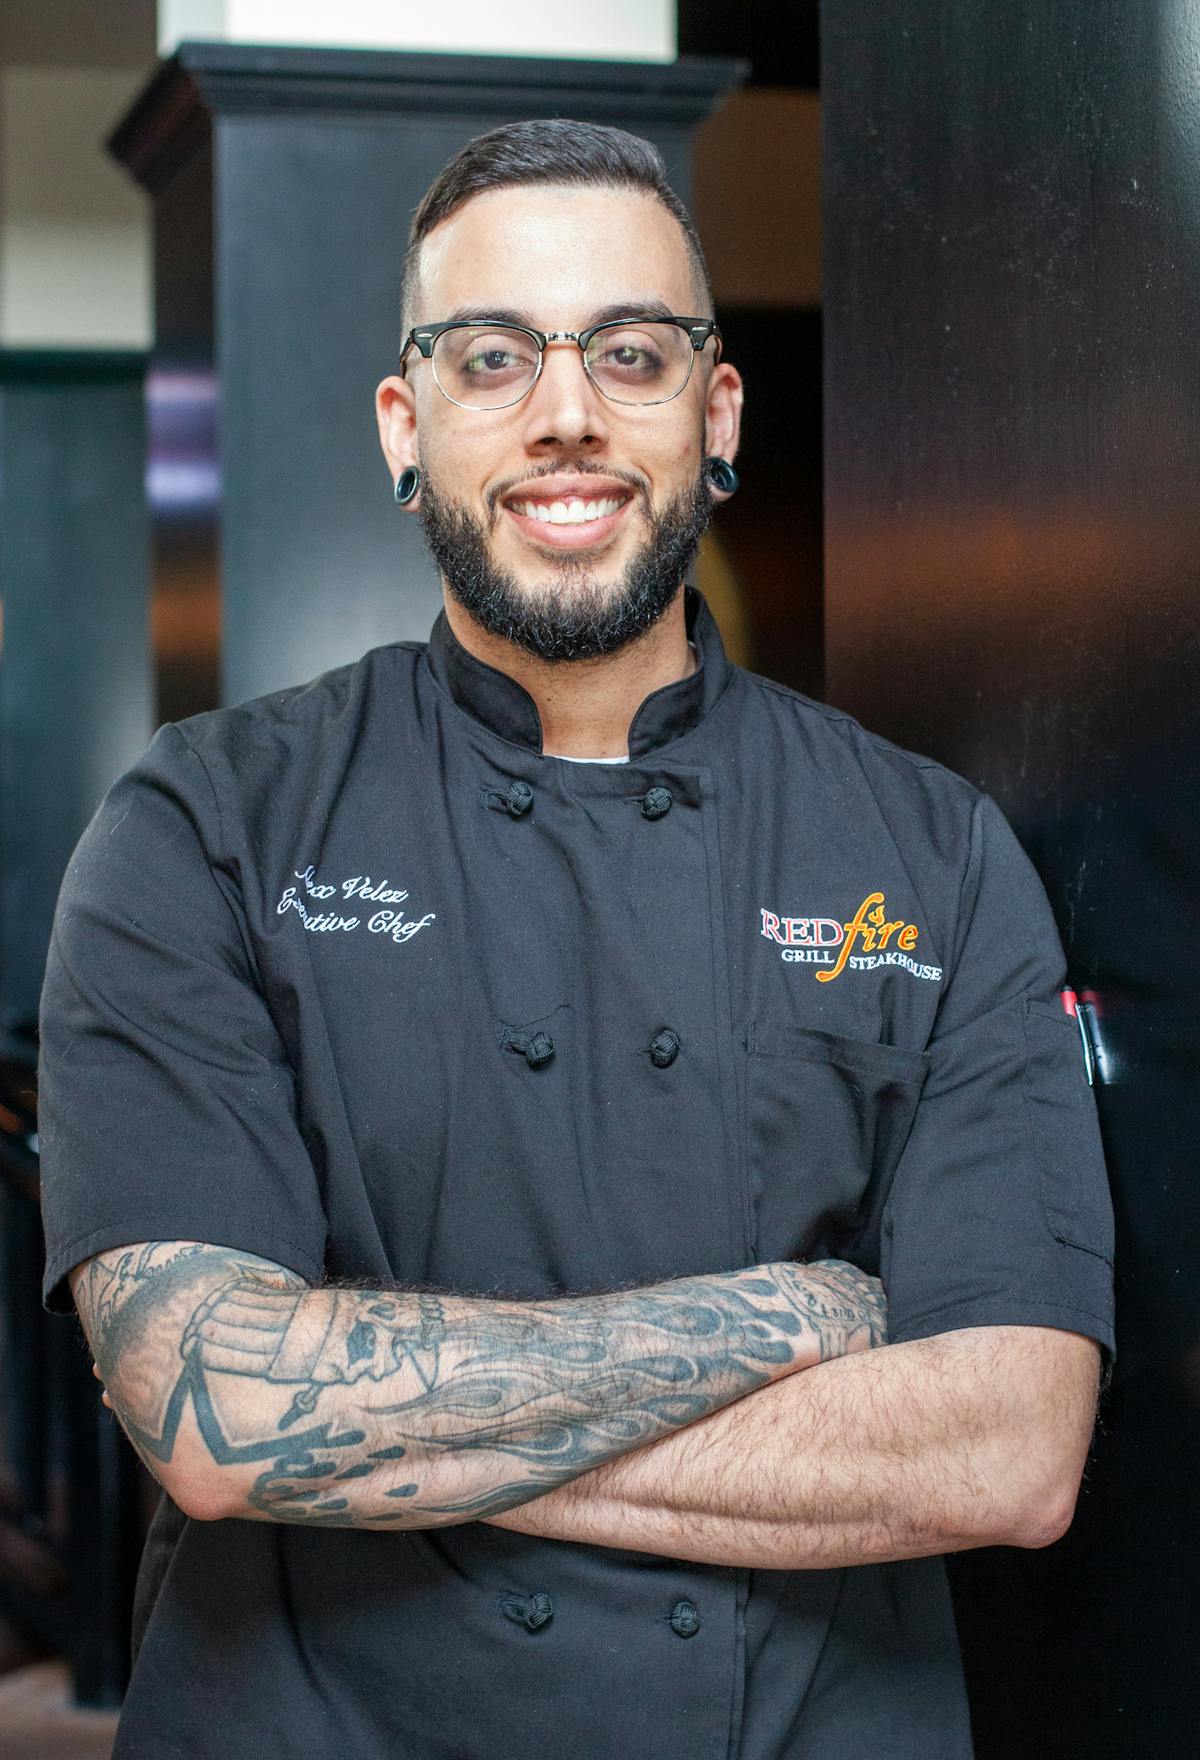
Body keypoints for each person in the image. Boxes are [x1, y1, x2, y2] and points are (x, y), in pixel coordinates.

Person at [38, 120, 1114, 1759]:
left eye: (631, 351)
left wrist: (401, 1448)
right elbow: (224, 1414)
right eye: (490, 357)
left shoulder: (931, 848)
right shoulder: (203, 824)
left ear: (717, 409)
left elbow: (1013, 1449)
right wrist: (801, 1322)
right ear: (406, 428)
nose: (566, 414)